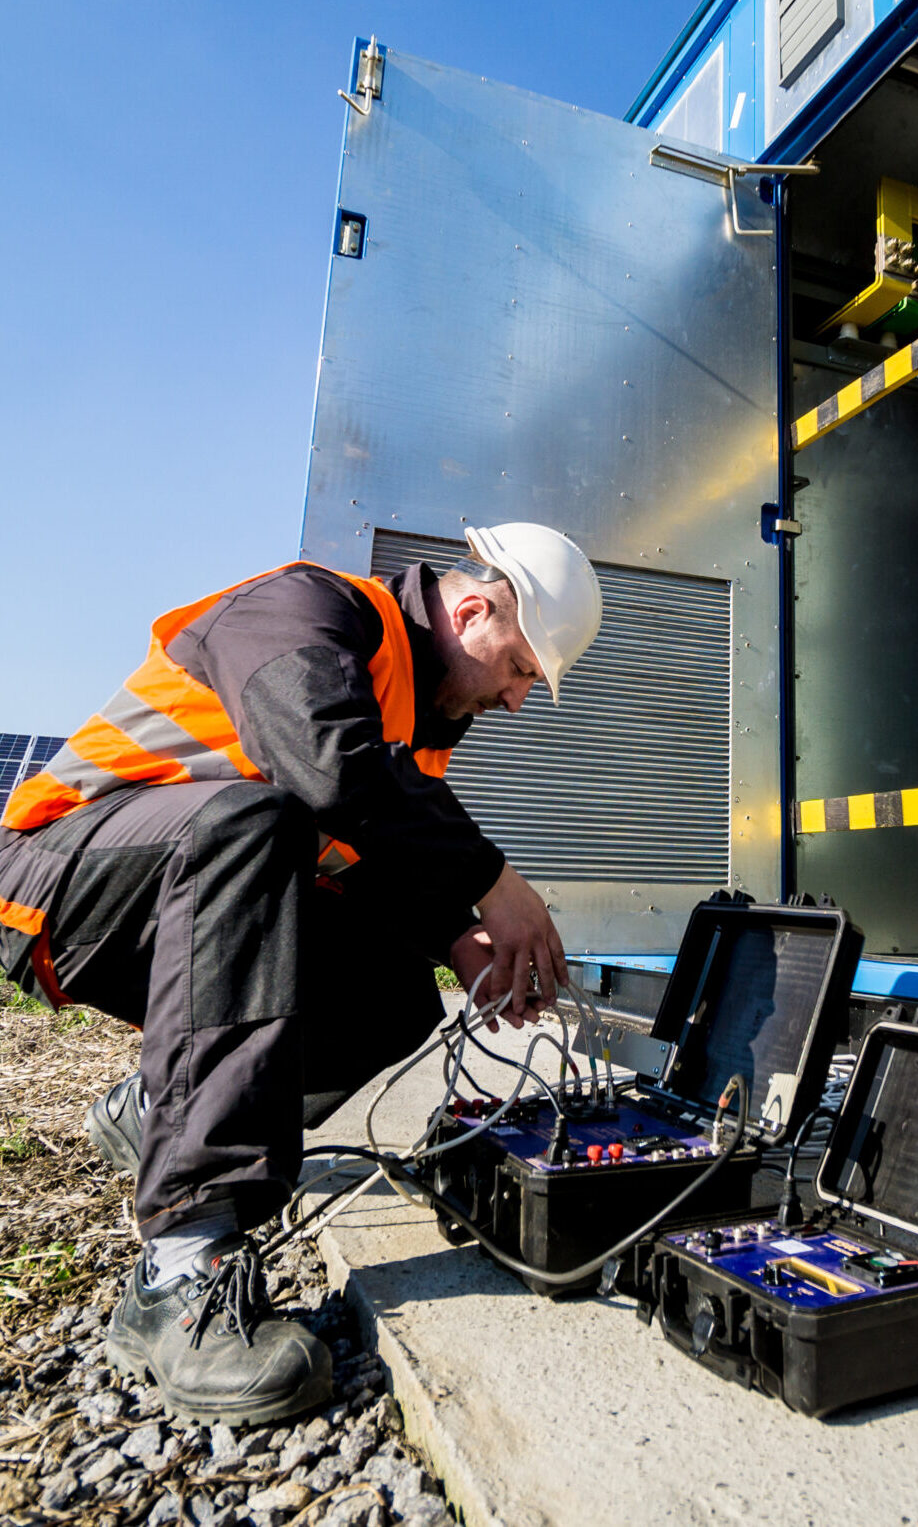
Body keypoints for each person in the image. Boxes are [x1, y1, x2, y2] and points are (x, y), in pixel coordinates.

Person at [0, 522, 601, 1426]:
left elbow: (360, 855)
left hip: (188, 898)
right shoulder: (308, 607)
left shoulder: (418, 719)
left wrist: (456, 940)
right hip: (58, 881)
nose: (517, 699)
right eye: (519, 667)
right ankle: (177, 1273)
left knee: (396, 999)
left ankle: (152, 1111)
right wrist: (492, 880)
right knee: (253, 822)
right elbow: (325, 766)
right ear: (473, 608)